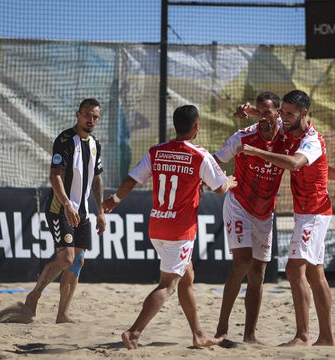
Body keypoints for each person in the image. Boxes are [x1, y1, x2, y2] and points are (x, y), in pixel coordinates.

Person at [103, 105, 237, 350]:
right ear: (196, 127)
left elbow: (132, 179)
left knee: (187, 278)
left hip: (157, 225)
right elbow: (219, 189)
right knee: (167, 285)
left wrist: (115, 200)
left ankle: (198, 335)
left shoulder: (157, 151)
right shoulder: (199, 155)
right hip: (180, 230)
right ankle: (133, 333)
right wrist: (228, 181)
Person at [241, 89, 335, 346]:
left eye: (289, 113)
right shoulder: (291, 127)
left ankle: (303, 336)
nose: (283, 117)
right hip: (307, 212)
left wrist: (258, 153)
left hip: (314, 213)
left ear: (305, 112)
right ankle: (326, 337)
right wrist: (250, 111)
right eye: (283, 112)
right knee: (315, 274)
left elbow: (295, 163)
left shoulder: (310, 140)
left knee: (293, 270)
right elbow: (321, 165)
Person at [213, 91, 290, 343]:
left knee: (259, 273)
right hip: (239, 204)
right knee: (243, 262)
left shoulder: (287, 138)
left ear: (277, 113)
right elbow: (214, 162)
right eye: (260, 111)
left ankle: (250, 335)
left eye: (268, 111)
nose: (263, 117)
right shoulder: (243, 136)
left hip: (265, 210)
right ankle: (222, 330)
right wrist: (222, 181)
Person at [24, 98, 106, 323]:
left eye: (96, 117)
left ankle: (62, 314)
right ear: (78, 114)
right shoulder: (65, 140)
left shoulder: (95, 144)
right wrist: (68, 204)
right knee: (67, 259)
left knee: (78, 261)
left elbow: (96, 178)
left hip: (84, 211)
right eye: (87, 115)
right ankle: (34, 296)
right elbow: (55, 176)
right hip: (61, 208)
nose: (91, 120)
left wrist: (100, 212)